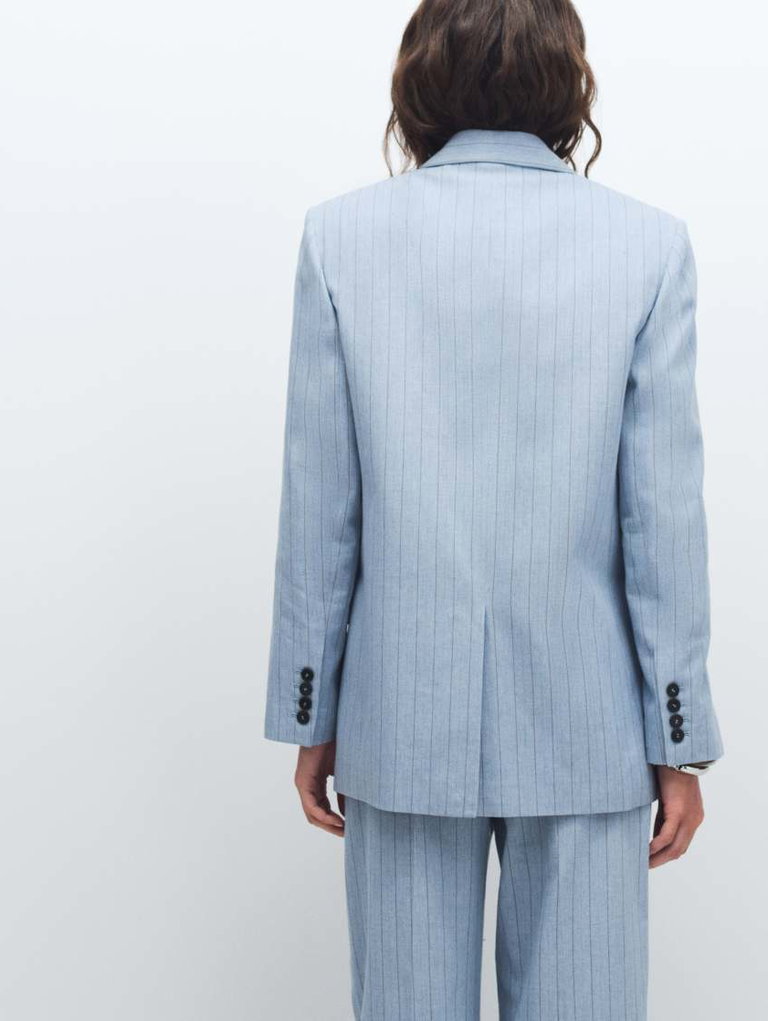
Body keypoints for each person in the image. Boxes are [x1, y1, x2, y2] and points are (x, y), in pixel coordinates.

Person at [263, 0, 723, 1016]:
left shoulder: (341, 239)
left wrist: (312, 711)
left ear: (420, 77)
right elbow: (661, 519)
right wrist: (677, 734)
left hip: (396, 715)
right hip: (591, 726)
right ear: (567, 81)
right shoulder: (646, 247)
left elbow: (320, 506)